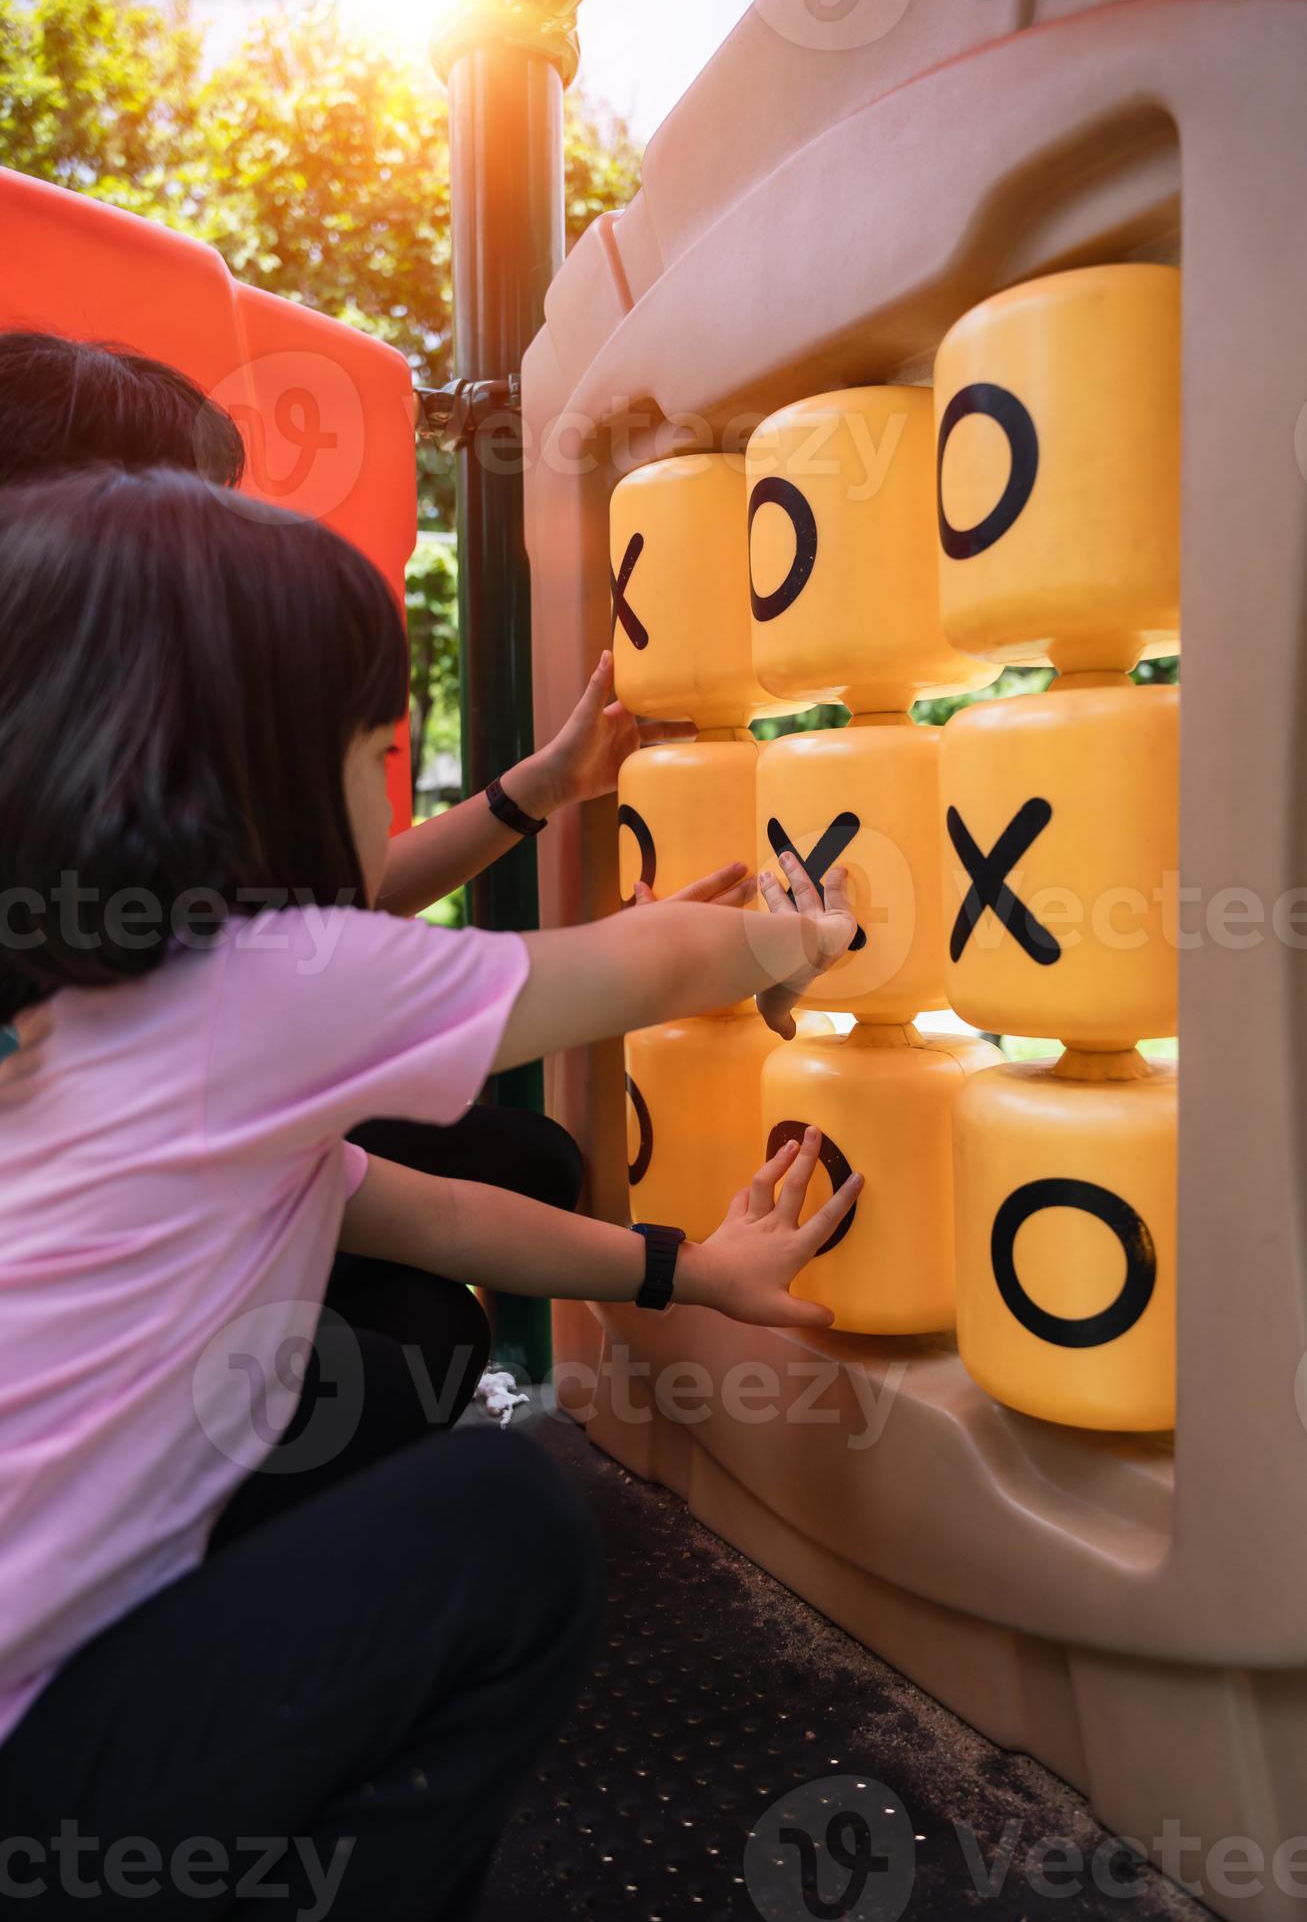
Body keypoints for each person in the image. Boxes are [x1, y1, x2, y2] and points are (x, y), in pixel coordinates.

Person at [0, 465, 860, 1919]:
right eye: (376, 752)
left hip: (55, 1712)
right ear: (250, 772)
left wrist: (688, 1270)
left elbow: (434, 1215)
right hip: (39, 1775)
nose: (386, 787)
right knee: (496, 1533)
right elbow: (641, 968)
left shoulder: (82, 1020)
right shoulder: (261, 993)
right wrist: (793, 931)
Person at [0, 329, 754, 1412]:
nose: (232, 550)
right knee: (419, 1348)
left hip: (148, 1178)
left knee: (511, 1179)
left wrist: (536, 792)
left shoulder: (104, 755)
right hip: (73, 1355)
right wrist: (683, 956)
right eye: (197, 516)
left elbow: (294, 929)